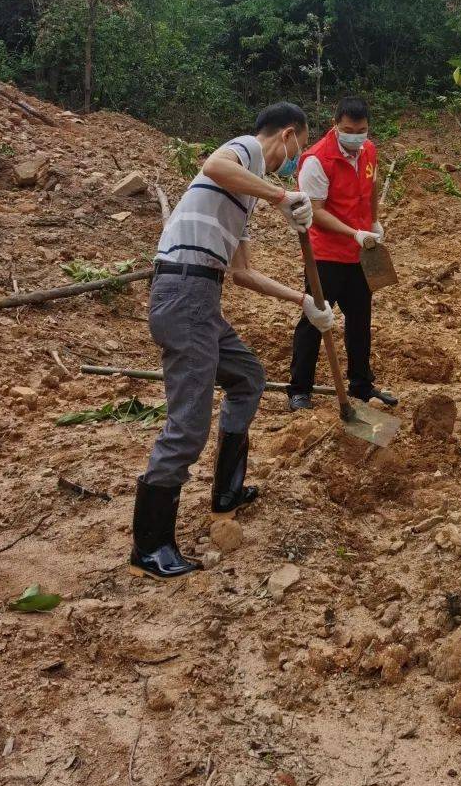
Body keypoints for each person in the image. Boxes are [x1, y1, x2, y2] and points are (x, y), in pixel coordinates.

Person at [131, 102, 336, 579]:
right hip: (185, 292)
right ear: (286, 136)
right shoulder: (243, 151)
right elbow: (213, 164)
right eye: (298, 148)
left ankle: (227, 490)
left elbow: (242, 271)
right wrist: (281, 196)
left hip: (199, 295)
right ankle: (150, 545)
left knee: (247, 377)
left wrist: (305, 301)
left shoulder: (240, 199)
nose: (294, 158)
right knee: (188, 423)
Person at [287, 95, 396, 412]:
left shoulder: (369, 151)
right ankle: (299, 390)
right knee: (315, 319)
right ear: (335, 125)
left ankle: (361, 385)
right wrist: (353, 232)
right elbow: (315, 212)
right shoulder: (316, 160)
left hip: (360, 256)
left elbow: (370, 186)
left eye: (361, 129)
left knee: (360, 320)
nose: (356, 136)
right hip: (326, 257)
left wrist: (374, 220)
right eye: (349, 129)